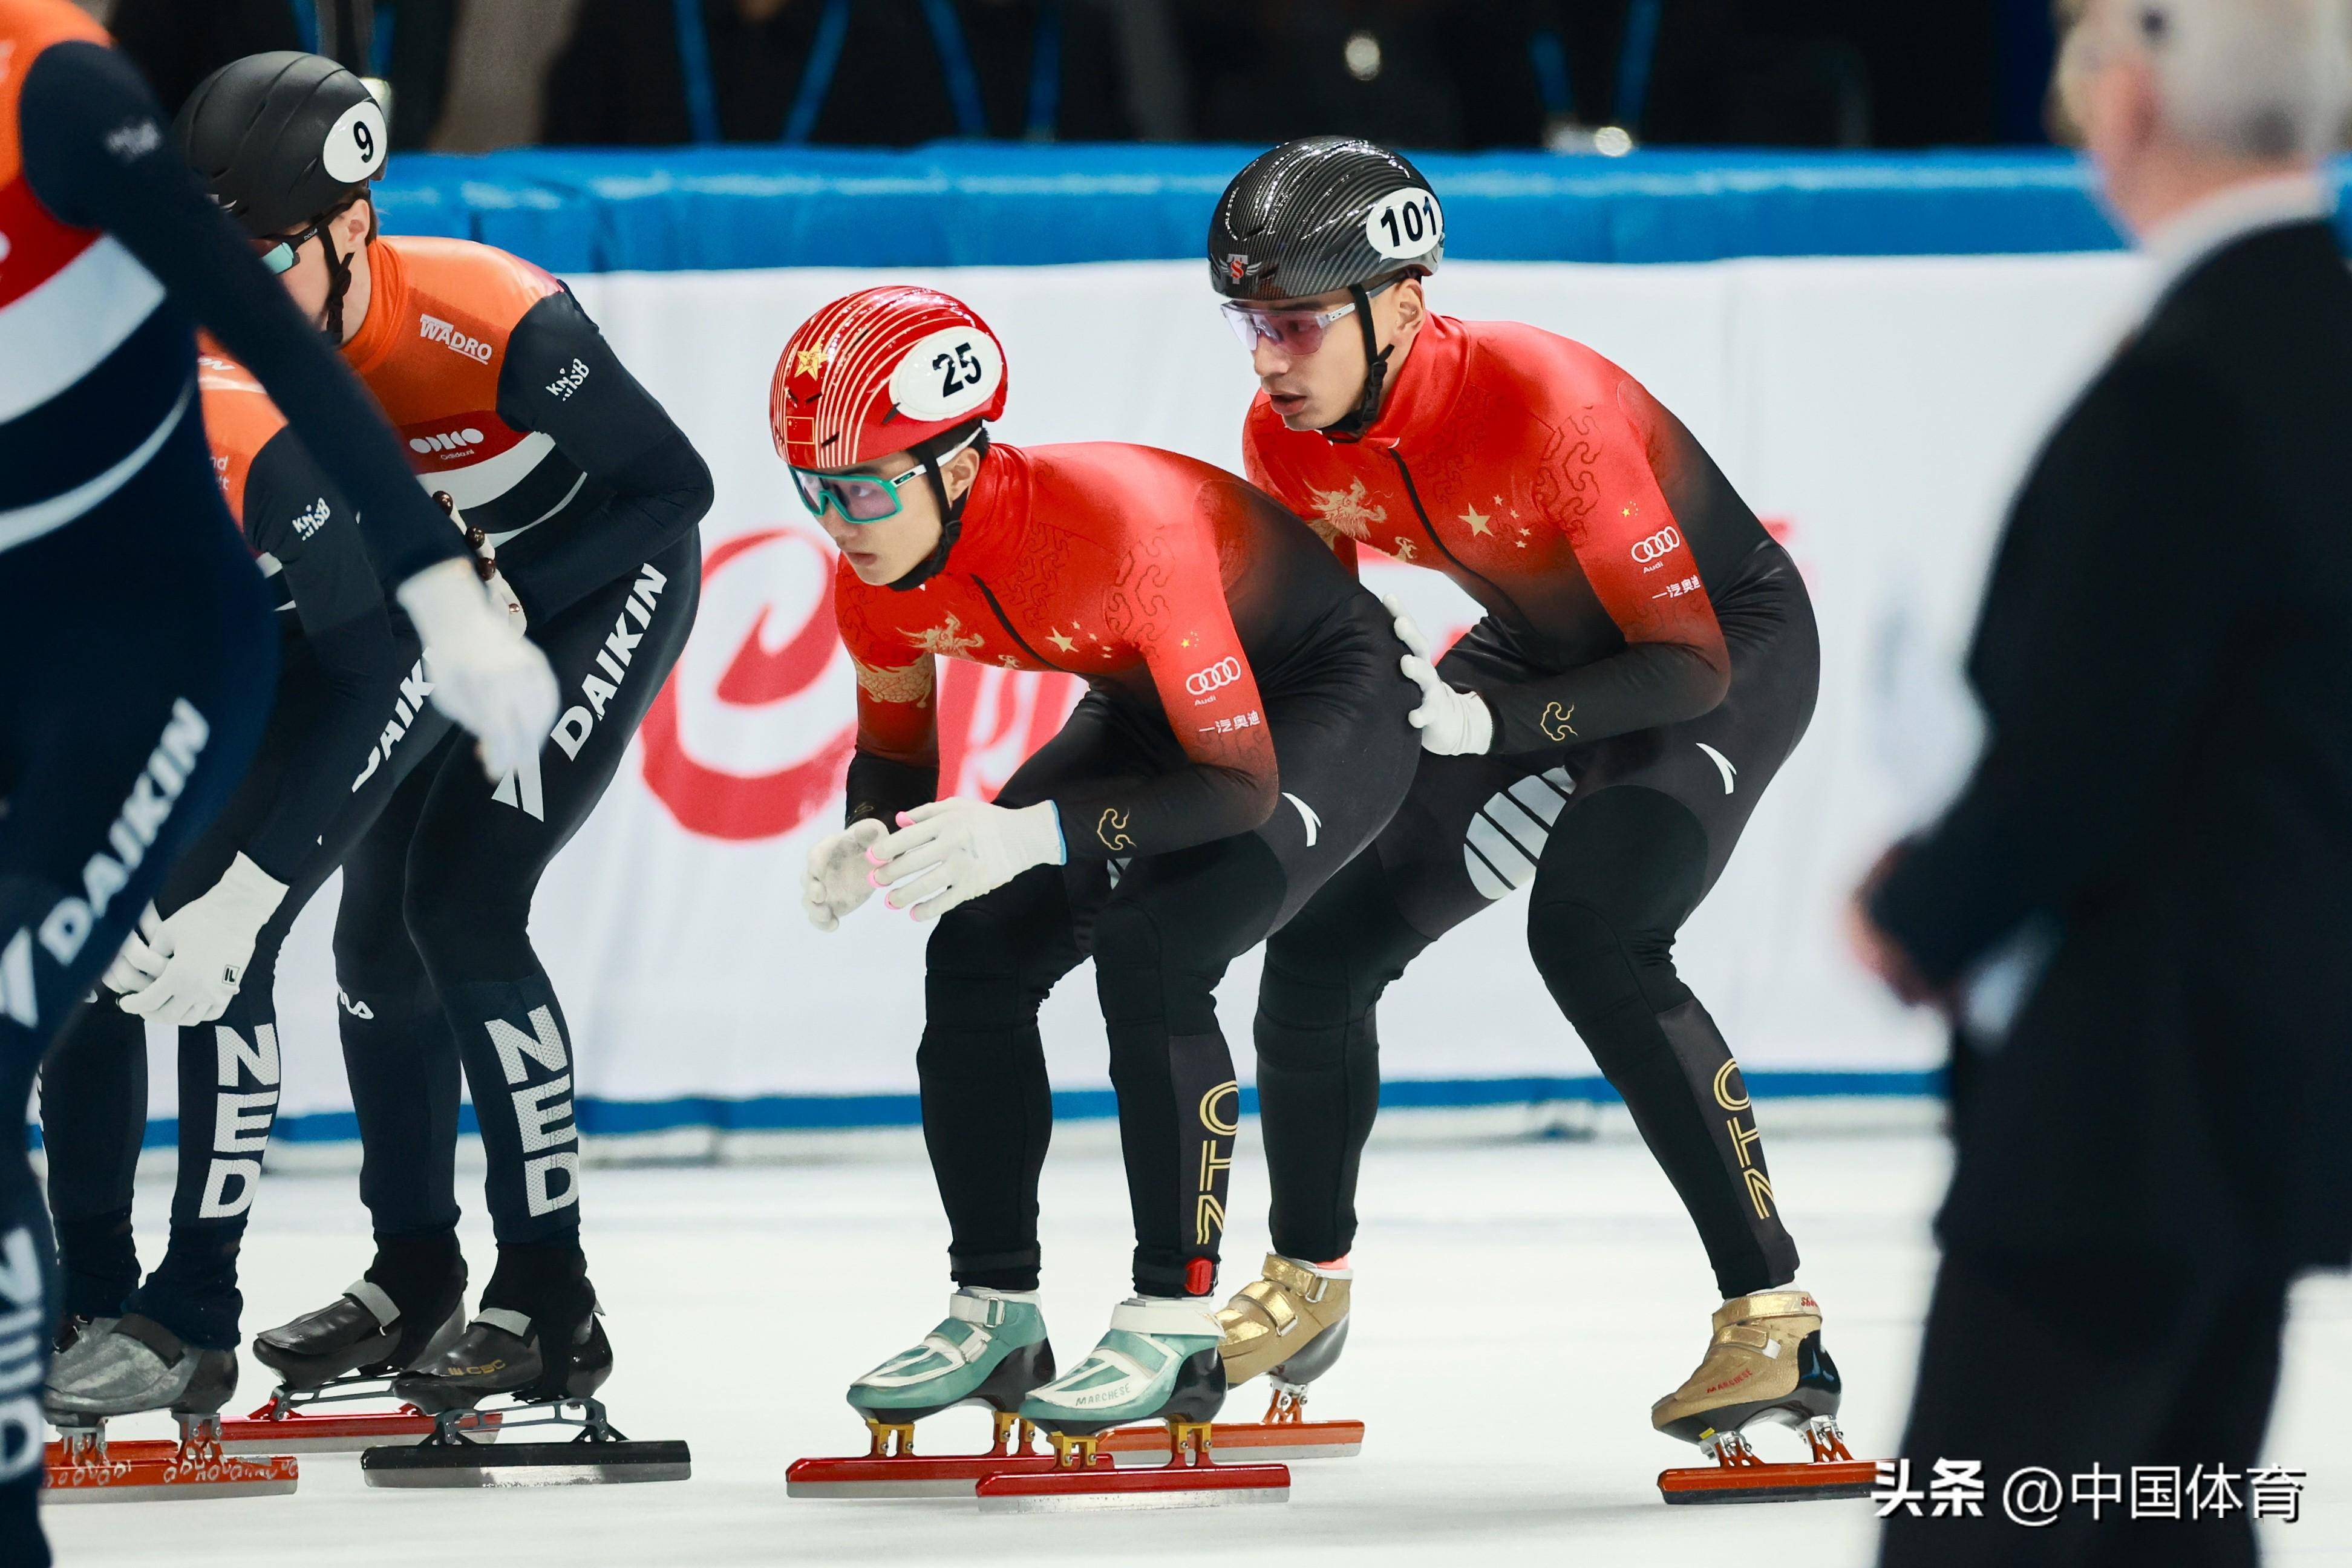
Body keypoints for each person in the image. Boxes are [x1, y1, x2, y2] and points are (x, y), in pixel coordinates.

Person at [39, 50, 710, 1436]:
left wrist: (515, 585)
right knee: (369, 945)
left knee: (462, 906)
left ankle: (550, 1296)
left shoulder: (490, 321)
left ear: (354, 226)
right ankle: (414, 1273)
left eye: (263, 259)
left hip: (589, 589)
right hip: (407, 622)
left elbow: (674, 488)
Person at [0, 4, 552, 1560]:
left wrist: (251, 893)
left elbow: (382, 669)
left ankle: (192, 1315)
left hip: (349, 647)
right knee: (74, 966)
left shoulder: (243, 437)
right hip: (144, 627)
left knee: (202, 946)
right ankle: (89, 1297)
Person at [1204, 137, 1837, 1469]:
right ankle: (1307, 1283)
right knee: (1317, 944)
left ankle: (1774, 1317)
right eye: (1250, 323)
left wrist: (1497, 728)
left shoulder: (1542, 402)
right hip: (1538, 651)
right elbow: (1333, 666)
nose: (1268, 359)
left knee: (1595, 931)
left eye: (1296, 323)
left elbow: (1685, 666)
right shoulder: (1285, 439)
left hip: (1721, 651)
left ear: (1400, 304)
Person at [1852, 2, 2352, 1563]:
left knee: (1988, 1532)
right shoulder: (2315, 341)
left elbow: (2087, 747)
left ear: (2131, 103)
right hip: (2266, 1076)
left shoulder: (2190, 382)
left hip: (2126, 1107)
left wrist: (1918, 913)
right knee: (2174, 1527)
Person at [786, 286, 1419, 1449]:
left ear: (959, 466)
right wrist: (868, 826)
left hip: (1323, 706)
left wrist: (1032, 834)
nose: (840, 522)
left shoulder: (1118, 531)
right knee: (975, 948)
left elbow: (1239, 786)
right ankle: (995, 1313)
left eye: (863, 489)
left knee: (1158, 946)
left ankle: (1176, 1322)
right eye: (812, 491)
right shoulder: (867, 579)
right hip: (1148, 704)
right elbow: (897, 751)